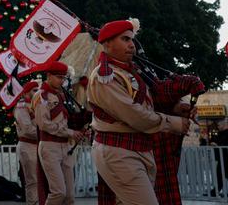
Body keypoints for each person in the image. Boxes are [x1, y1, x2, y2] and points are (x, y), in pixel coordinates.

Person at [87, 20, 190, 205]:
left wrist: (174, 108)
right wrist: (173, 123)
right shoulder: (105, 75)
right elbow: (135, 115)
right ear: (107, 43)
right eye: (125, 39)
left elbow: (145, 105)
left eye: (132, 40)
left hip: (137, 149)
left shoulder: (130, 72)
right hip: (119, 152)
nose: (131, 45)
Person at [33, 61, 82, 205]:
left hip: (65, 147)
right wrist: (69, 132)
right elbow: (44, 124)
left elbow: (65, 120)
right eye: (58, 77)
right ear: (48, 76)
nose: (61, 81)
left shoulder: (60, 95)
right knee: (58, 192)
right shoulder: (41, 96)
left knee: (70, 197)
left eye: (63, 78)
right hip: (50, 146)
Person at [14, 80, 39, 205]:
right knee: (32, 180)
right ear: (26, 93)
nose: (37, 93)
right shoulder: (22, 107)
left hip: (39, 145)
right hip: (28, 145)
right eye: (34, 90)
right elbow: (28, 129)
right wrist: (47, 133)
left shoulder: (37, 105)